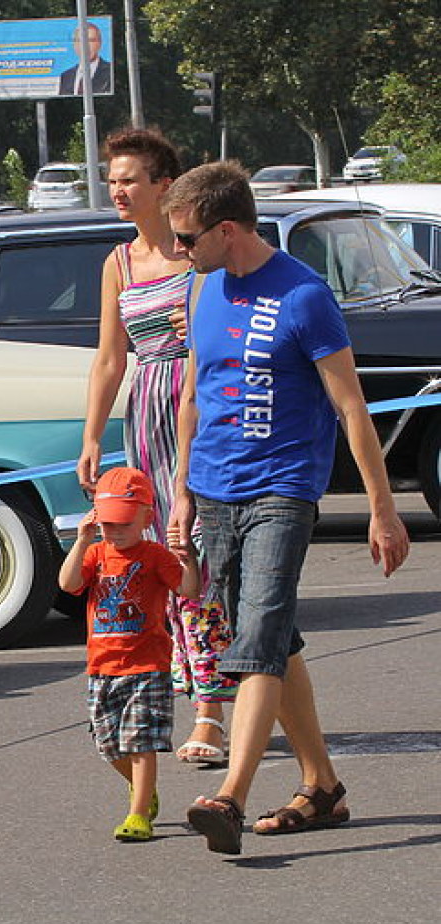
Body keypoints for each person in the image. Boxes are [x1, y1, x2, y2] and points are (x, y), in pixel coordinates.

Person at [164, 160, 411, 855]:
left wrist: (382, 509)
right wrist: (182, 492)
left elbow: (350, 404)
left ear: (229, 229)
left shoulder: (303, 296)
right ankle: (321, 784)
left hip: (283, 489)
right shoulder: (202, 287)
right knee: (273, 636)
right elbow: (194, 396)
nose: (180, 251)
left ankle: (230, 796)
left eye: (187, 238)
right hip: (216, 490)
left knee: (259, 635)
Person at [77, 127, 235, 769]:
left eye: (129, 179)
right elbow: (111, 358)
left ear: (163, 186)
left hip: (197, 407)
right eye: (112, 179)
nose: (117, 189)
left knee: (190, 550)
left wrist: (198, 323)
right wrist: (92, 435)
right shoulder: (117, 263)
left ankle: (211, 709)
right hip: (144, 411)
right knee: (148, 559)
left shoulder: (195, 255)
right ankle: (172, 696)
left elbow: (225, 331)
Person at [59, 466, 202, 843]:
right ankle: (144, 789)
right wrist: (82, 540)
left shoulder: (154, 555)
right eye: (108, 523)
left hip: (147, 665)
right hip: (102, 667)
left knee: (140, 741)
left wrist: (185, 556)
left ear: (145, 517)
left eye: (123, 523)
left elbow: (188, 589)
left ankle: (139, 813)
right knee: (107, 744)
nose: (115, 531)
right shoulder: (95, 553)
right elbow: (68, 583)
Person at [56, 21, 112, 96]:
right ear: (75, 45)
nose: (86, 46)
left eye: (91, 40)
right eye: (80, 41)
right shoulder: (66, 76)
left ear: (99, 43)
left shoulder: (110, 71)